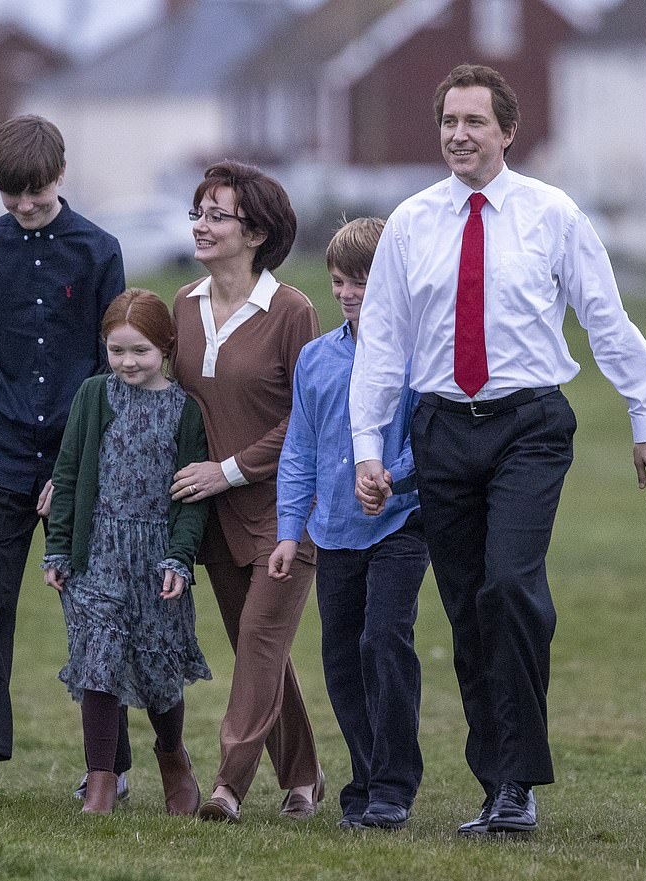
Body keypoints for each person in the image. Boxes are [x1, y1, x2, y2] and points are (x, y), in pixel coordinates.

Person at [349, 64, 646, 836]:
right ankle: (500, 787)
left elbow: (605, 317)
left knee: (508, 588)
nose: (458, 135)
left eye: (473, 122)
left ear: (506, 131)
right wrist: (369, 445)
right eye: (448, 121)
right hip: (439, 429)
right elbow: (383, 343)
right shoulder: (410, 222)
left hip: (527, 425)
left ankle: (520, 777)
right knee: (468, 611)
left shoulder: (552, 214)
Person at [0, 114, 130, 810]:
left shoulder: (100, 251)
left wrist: (82, 470)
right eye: (11, 196)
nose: (23, 207)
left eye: (35, 194)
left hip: (77, 462)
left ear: (60, 176)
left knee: (93, 609)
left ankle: (111, 767)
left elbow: (116, 370)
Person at [169, 160, 323, 823]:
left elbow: (304, 419)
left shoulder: (292, 311)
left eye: (217, 214)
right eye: (198, 212)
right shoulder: (182, 305)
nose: (201, 225)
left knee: (260, 641)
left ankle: (227, 784)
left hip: (288, 515)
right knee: (264, 652)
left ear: (256, 230)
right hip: (214, 519)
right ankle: (307, 777)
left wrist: (227, 468)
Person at [268, 217, 430, 831]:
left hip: (400, 524)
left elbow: (429, 436)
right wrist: (289, 531)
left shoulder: (419, 356)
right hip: (332, 531)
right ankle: (363, 779)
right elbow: (299, 451)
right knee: (340, 660)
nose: (348, 292)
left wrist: (392, 477)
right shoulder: (315, 360)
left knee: (382, 641)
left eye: (362, 280)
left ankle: (394, 783)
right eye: (339, 280)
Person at [42, 289, 212, 815]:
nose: (127, 362)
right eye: (116, 351)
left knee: (159, 667)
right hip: (96, 555)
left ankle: (172, 759)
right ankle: (100, 781)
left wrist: (179, 557)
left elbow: (190, 497)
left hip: (156, 557)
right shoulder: (94, 395)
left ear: (165, 346)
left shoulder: (186, 410)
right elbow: (68, 474)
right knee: (99, 664)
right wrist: (57, 550)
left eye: (139, 351)